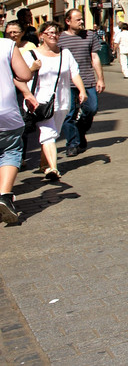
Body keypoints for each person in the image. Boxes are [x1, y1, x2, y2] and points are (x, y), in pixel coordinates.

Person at [23, 22, 88, 182]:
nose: (53, 35)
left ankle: (43, 164)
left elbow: (74, 73)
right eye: (50, 32)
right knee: (48, 134)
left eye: (56, 32)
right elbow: (21, 76)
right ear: (41, 36)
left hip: (62, 100)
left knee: (53, 133)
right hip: (39, 101)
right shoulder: (31, 55)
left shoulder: (65, 53)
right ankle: (53, 168)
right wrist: (32, 68)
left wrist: (82, 90)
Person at [1, 33, 38, 223]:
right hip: (5, 112)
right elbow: (24, 75)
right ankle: (5, 195)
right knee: (10, 150)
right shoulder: (6, 45)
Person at [58, 8, 105, 158]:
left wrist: (100, 79)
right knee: (69, 114)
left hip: (87, 79)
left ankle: (80, 130)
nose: (82, 22)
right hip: (66, 83)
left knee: (91, 109)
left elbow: (95, 57)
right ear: (68, 21)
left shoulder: (89, 35)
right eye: (78, 19)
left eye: (82, 19)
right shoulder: (60, 38)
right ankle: (72, 144)